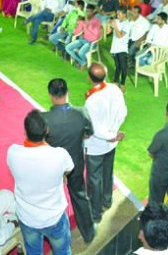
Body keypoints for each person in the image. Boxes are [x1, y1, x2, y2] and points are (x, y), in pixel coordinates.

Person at [7, 110, 73, 255]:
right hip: (54, 218)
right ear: (47, 130)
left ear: (25, 131)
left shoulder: (12, 152)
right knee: (62, 251)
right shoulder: (59, 155)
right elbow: (69, 168)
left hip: (27, 218)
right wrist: (61, 175)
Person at [41, 78, 95, 243]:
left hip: (53, 166)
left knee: (49, 200)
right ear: (68, 92)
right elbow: (89, 132)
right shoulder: (81, 113)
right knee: (80, 196)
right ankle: (88, 233)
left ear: (50, 95)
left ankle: (53, 236)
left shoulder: (44, 119)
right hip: (75, 163)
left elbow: (39, 142)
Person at [84, 63, 127, 223]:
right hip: (111, 143)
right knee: (108, 173)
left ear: (89, 78)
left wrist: (111, 135)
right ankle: (107, 201)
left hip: (96, 146)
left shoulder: (92, 100)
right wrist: (114, 131)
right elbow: (123, 112)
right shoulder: (115, 89)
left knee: (95, 180)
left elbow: (95, 129)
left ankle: (95, 213)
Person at [65, 4, 101, 68]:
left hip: (91, 42)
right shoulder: (84, 20)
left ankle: (81, 62)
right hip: (83, 39)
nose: (88, 13)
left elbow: (97, 36)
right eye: (87, 11)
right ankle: (82, 62)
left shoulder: (96, 22)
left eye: (90, 11)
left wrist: (88, 25)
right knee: (68, 48)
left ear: (93, 12)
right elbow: (76, 32)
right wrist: (77, 24)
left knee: (81, 53)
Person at [108, 7, 131, 90]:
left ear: (124, 14)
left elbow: (120, 35)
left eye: (119, 14)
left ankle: (123, 84)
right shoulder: (116, 21)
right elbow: (108, 32)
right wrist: (109, 24)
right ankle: (116, 81)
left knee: (123, 67)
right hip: (114, 48)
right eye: (117, 14)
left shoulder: (127, 24)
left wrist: (115, 26)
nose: (117, 16)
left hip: (122, 48)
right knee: (118, 66)